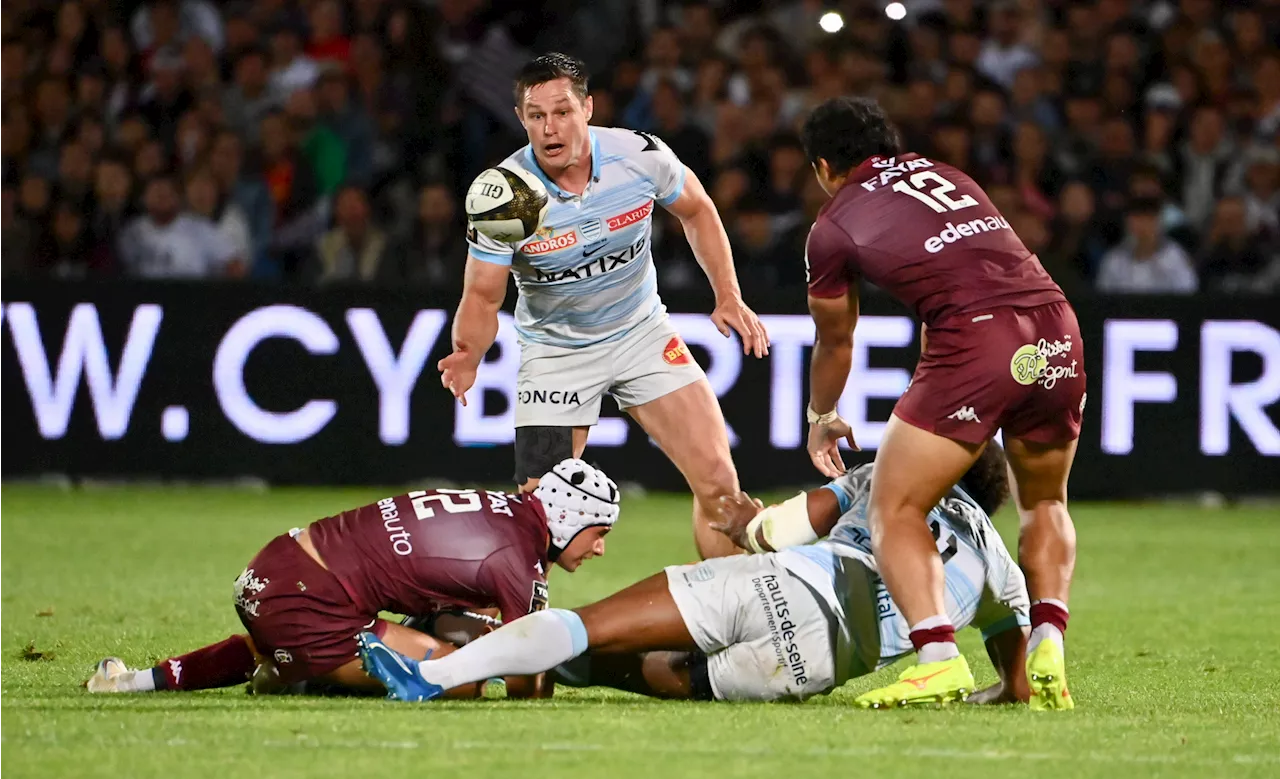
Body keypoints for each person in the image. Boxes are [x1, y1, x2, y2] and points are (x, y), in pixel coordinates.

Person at [357, 444, 1030, 707]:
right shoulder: (998, 560)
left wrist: (746, 517)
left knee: (593, 631)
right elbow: (1018, 671)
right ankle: (494, 655)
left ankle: (438, 667)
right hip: (812, 663)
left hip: (785, 582)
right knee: (650, 672)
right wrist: (998, 693)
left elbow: (779, 531)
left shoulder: (894, 474)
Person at [795, 97, 1081, 710]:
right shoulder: (949, 175)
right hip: (1057, 324)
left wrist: (821, 417)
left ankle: (937, 658)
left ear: (823, 166)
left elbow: (837, 339)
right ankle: (1049, 639)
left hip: (978, 338)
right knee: (1047, 501)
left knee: (893, 507)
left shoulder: (833, 224)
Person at [438, 52, 769, 560]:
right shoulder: (508, 195)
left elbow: (698, 210)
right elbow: (483, 293)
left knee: (723, 493)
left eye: (563, 111)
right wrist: (467, 353)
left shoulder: (638, 157)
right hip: (557, 354)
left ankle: (729, 624)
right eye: (536, 115)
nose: (550, 128)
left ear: (588, 108)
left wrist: (728, 294)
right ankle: (505, 633)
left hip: (642, 334)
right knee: (538, 520)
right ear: (522, 119)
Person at [86, 459, 619, 698]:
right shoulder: (519, 561)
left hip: (274, 568)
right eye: (598, 532)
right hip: (309, 604)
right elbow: (526, 679)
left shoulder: (501, 510)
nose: (599, 548)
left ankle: (134, 681)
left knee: (274, 646)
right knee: (466, 682)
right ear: (569, 518)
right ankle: (296, 675)